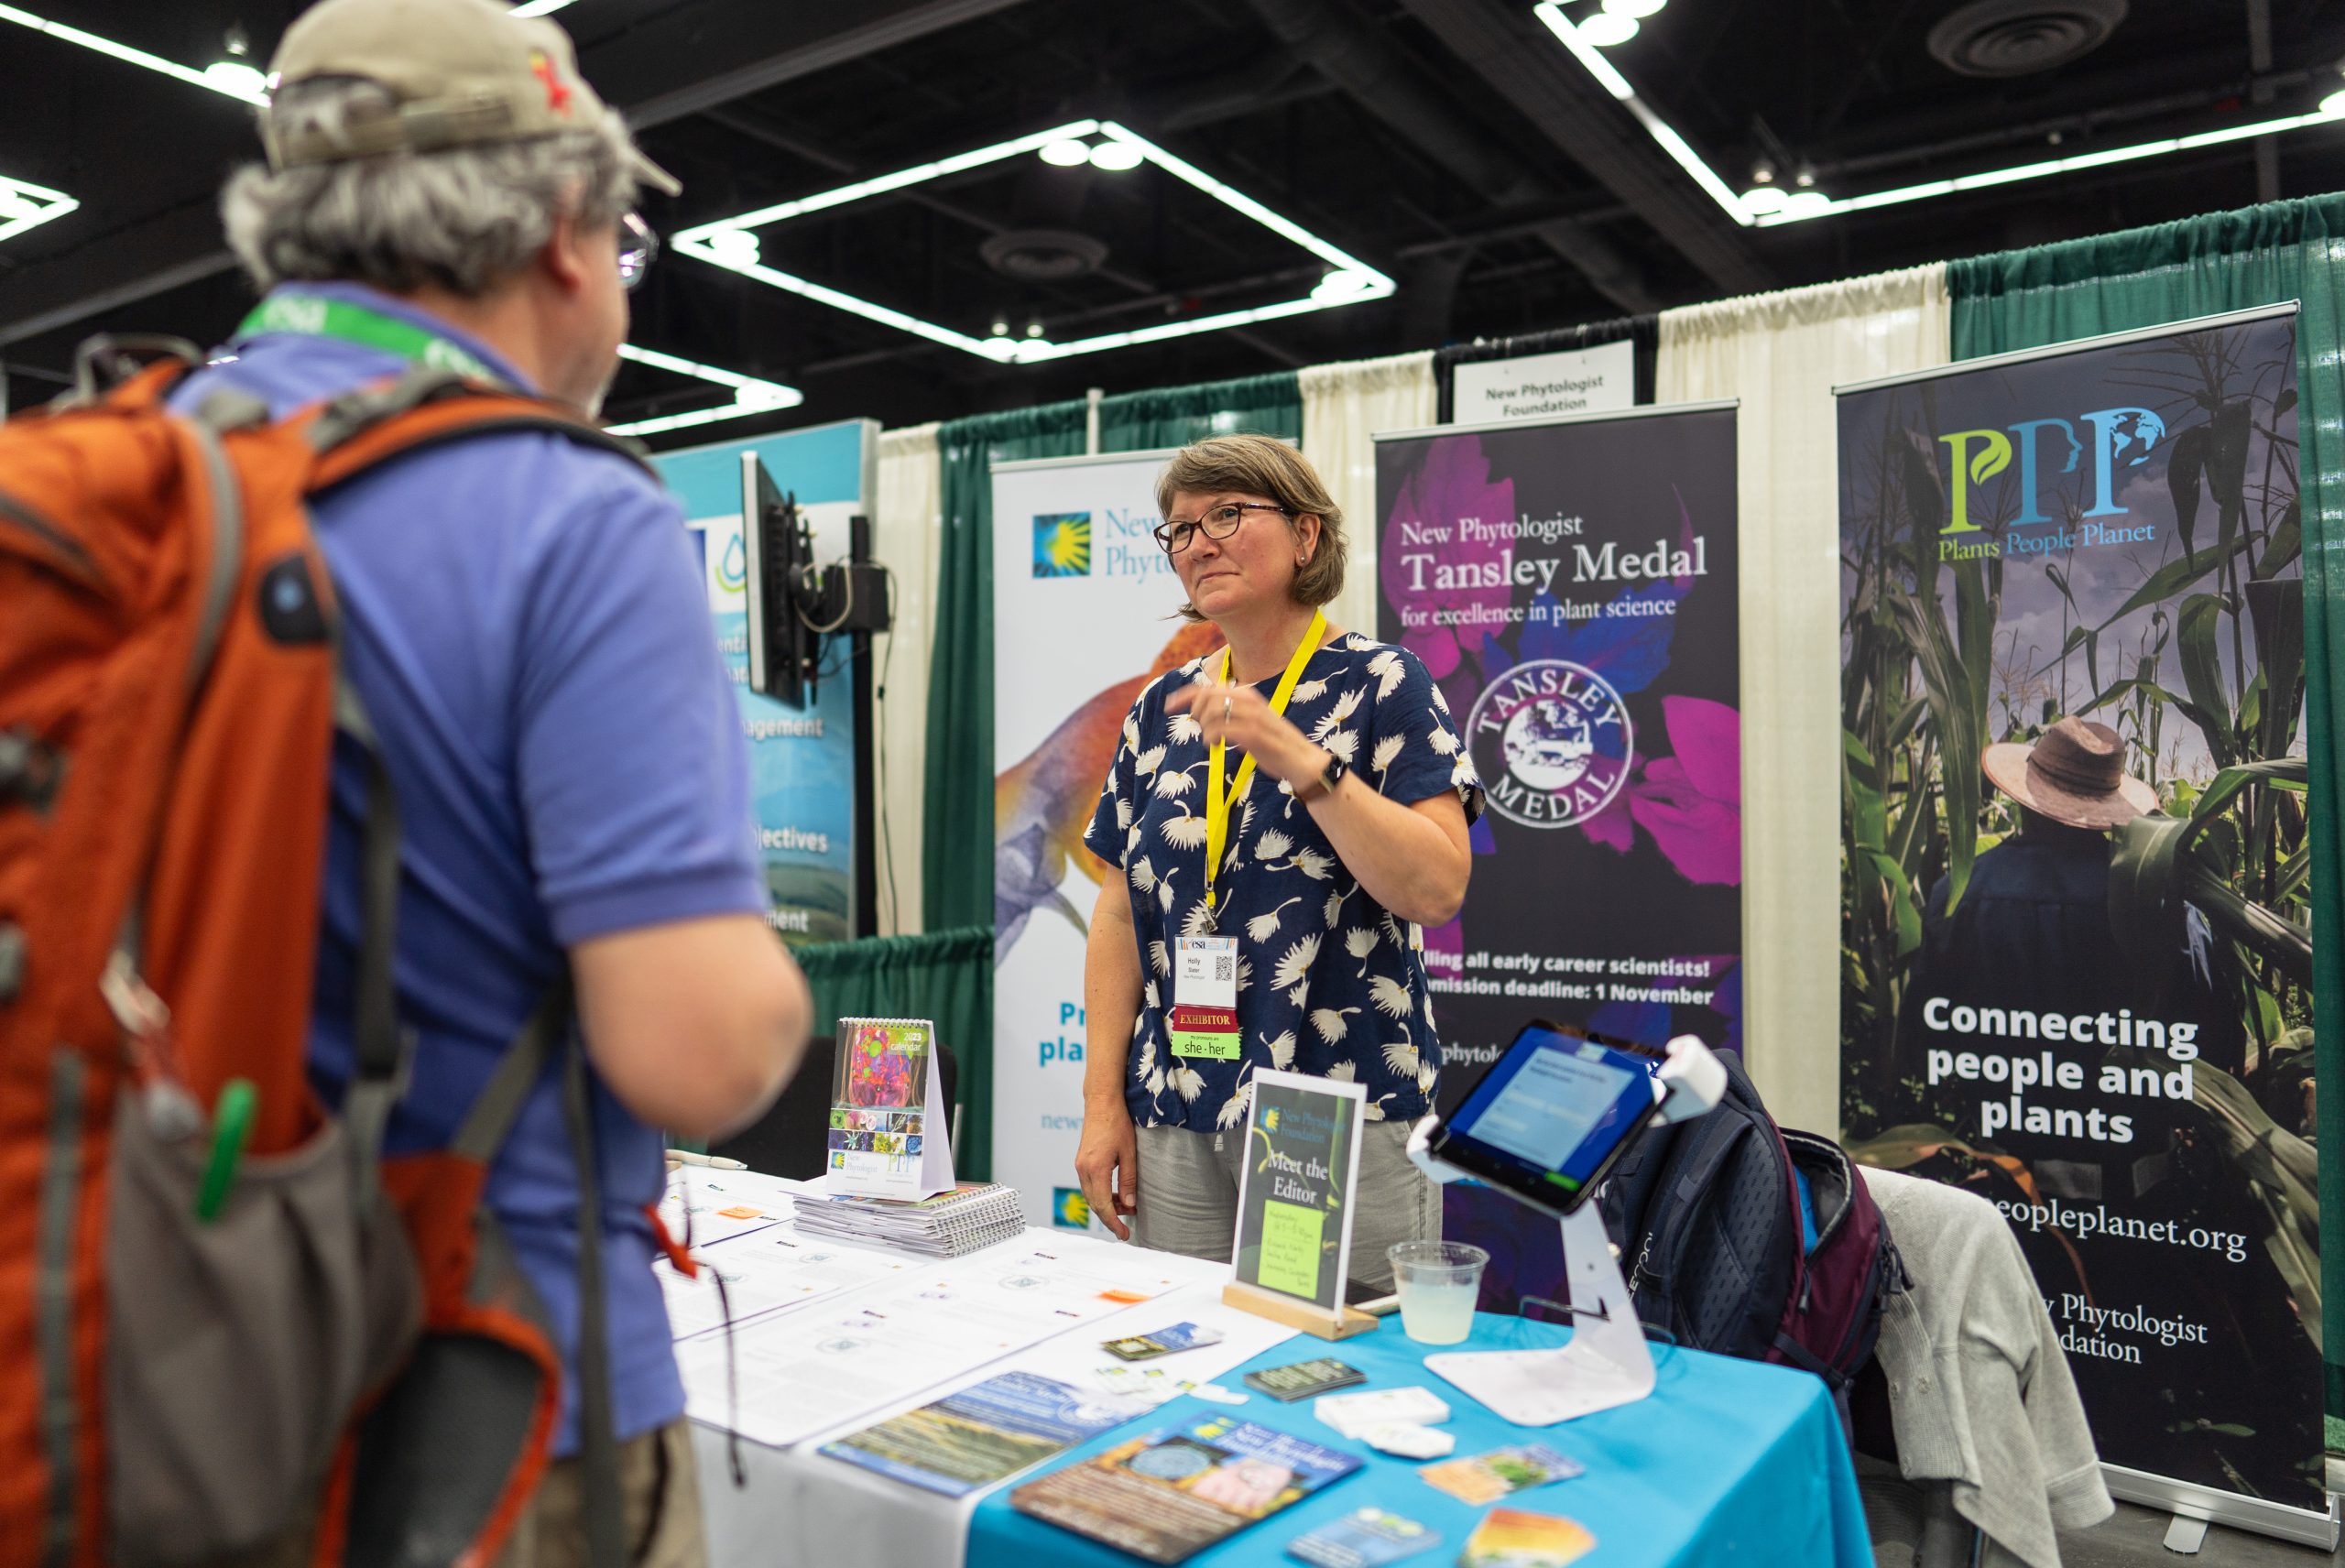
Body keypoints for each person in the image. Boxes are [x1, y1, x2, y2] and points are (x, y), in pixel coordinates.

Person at [176, 0, 811, 1558]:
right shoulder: (566, 513)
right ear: (559, 230)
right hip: (494, 1389)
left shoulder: (114, 478)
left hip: (158, 1345)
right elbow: (696, 1051)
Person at [1074, 435, 1480, 1291]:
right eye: (1179, 529)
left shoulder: (1383, 684)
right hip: (1176, 1104)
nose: (1198, 542)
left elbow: (1439, 886)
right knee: (1186, 1361)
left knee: (1342, 1372)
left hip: (1338, 1105)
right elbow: (1118, 910)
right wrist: (1101, 1101)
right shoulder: (1163, 707)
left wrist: (1302, 759)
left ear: (1306, 535)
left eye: (1226, 513)